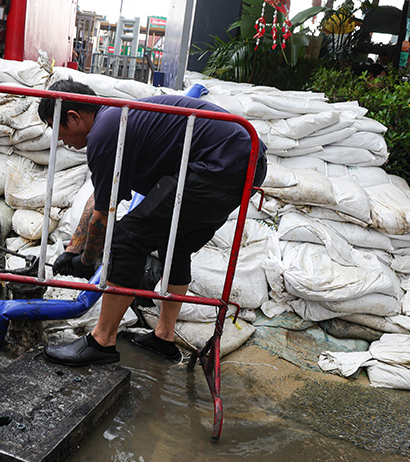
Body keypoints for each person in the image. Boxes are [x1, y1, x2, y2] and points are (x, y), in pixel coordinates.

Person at [37, 80, 267, 366]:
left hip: (219, 166)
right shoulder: (115, 118)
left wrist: (85, 261)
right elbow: (101, 198)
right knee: (176, 246)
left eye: (54, 127)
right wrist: (72, 249)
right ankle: (164, 338)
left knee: (126, 238)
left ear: (73, 117)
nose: (58, 139)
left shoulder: (104, 133)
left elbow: (103, 215)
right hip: (244, 162)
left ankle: (101, 341)